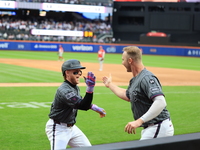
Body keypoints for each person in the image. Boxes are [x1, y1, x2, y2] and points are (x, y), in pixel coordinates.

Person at [102, 46, 174, 140]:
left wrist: (139, 121)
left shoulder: (147, 78)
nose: (122, 63)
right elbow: (128, 96)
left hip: (158, 126)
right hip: (152, 128)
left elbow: (160, 101)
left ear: (130, 61)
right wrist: (110, 85)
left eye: (123, 60)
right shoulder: (135, 79)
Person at [45, 59, 106, 150]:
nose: (78, 74)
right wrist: (90, 89)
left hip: (71, 128)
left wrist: (94, 107)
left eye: (80, 72)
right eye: (75, 72)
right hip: (58, 128)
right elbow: (81, 105)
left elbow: (80, 101)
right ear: (67, 73)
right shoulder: (64, 90)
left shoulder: (74, 87)